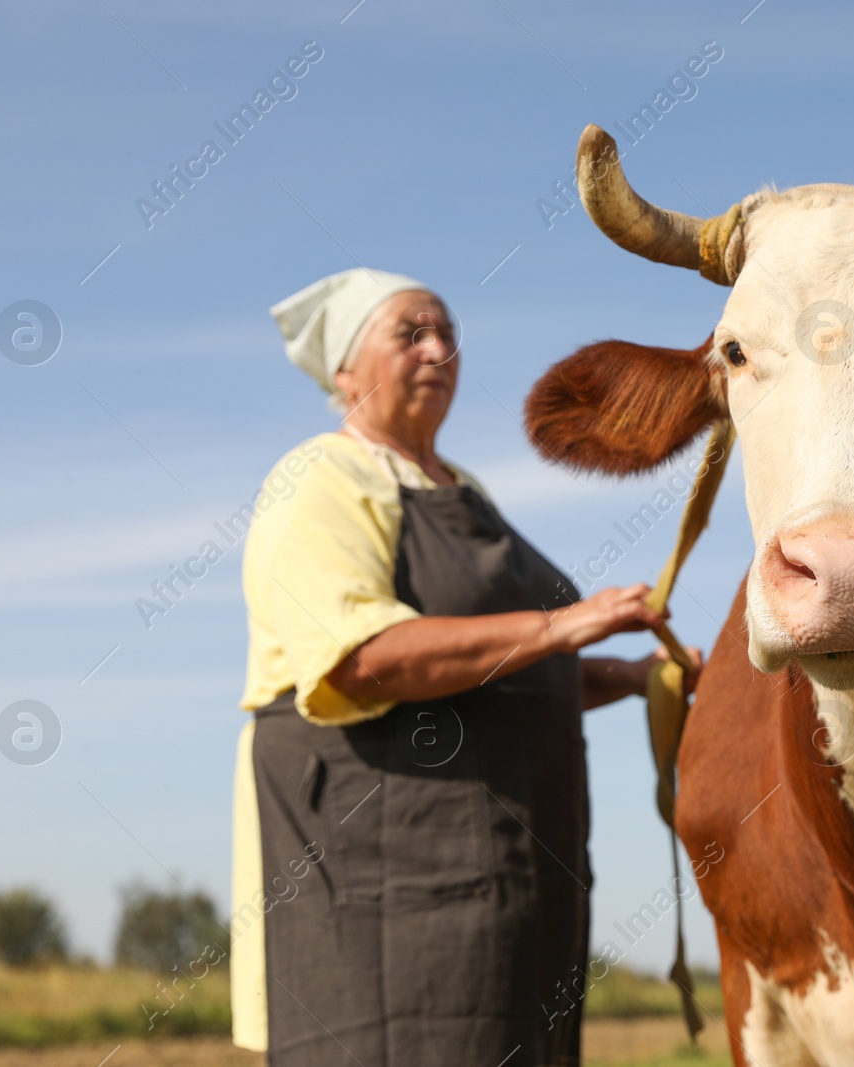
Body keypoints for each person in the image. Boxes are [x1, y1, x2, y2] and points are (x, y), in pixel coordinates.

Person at [228, 268, 696, 1067]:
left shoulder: (468, 491)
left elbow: (508, 674)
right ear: (346, 371)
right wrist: (564, 623)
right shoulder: (320, 479)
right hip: (390, 868)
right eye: (411, 333)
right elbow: (362, 659)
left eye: (447, 332)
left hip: (520, 866)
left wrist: (630, 674)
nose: (441, 349)